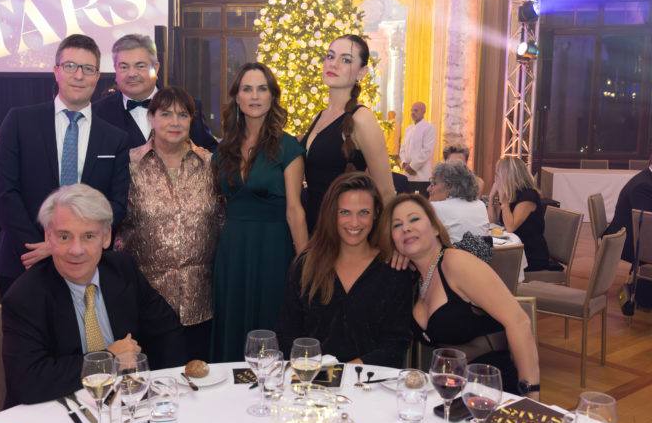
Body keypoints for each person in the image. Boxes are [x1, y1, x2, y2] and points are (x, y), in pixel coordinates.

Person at [2, 184, 186, 406]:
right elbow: (27, 381)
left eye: (88, 236)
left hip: (129, 406)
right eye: (64, 236)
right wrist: (108, 359)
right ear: (48, 237)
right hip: (58, 412)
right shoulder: (24, 297)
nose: (76, 250)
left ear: (106, 237)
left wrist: (160, 391)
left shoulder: (123, 270)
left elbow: (167, 332)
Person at [0, 34, 130, 296]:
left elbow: (117, 204)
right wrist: (46, 245)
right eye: (70, 66)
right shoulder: (19, 122)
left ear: (97, 76)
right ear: (56, 71)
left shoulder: (115, 139)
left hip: (87, 263)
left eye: (87, 68)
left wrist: (68, 244)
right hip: (25, 260)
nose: (78, 75)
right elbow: (4, 194)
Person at [386, 193, 540, 396]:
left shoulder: (455, 263)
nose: (406, 228)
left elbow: (519, 322)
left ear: (435, 227)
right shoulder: (414, 281)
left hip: (491, 389)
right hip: (448, 393)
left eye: (414, 219)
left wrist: (531, 395)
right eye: (397, 225)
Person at [211, 62, 307, 362]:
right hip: (232, 252)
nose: (254, 96)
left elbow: (295, 210)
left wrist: (306, 266)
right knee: (232, 324)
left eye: (262, 89)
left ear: (272, 96)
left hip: (273, 249)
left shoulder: (288, 147)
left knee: (272, 323)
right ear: (237, 97)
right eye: (247, 89)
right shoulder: (223, 149)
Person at [117, 86, 221, 361]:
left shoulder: (210, 165)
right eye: (166, 114)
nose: (175, 122)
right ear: (151, 118)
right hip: (146, 302)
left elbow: (223, 221)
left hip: (201, 301)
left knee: (200, 378)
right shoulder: (129, 164)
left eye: (182, 115)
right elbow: (115, 227)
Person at [277, 173, 412, 367]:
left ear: (376, 213)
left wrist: (344, 372)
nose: (354, 223)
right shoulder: (306, 265)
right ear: (332, 214)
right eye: (345, 212)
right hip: (312, 378)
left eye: (364, 212)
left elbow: (395, 345)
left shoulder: (393, 269)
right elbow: (287, 334)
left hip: (372, 381)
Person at [301, 34, 395, 233]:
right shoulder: (319, 116)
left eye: (345, 60)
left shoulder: (362, 118)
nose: (333, 64)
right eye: (330, 56)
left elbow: (386, 192)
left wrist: (389, 240)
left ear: (362, 72)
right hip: (313, 227)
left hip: (345, 233)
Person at [93, 34, 217, 152]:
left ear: (156, 68)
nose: (132, 74)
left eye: (140, 66)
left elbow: (210, 153)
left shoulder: (189, 107)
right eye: (124, 67)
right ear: (115, 70)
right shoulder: (97, 113)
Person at [487, 157, 559, 272]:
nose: (496, 179)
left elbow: (510, 227)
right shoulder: (512, 193)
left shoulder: (528, 196)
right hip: (515, 248)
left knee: (490, 265)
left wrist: (504, 202)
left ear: (509, 176)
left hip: (531, 255)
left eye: (498, 175)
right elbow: (493, 222)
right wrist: (491, 199)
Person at [604, 154, 652, 262]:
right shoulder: (643, 186)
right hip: (628, 241)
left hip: (637, 234)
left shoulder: (647, 177)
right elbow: (646, 224)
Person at [429, 162, 488, 243]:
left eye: (434, 183)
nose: (428, 189)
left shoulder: (437, 207)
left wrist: (430, 202)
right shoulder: (480, 205)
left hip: (451, 251)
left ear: (448, 186)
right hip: (482, 251)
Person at [400, 101, 436, 195]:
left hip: (422, 176)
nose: (413, 113)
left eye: (416, 110)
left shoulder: (429, 127)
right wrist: (404, 163)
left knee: (421, 201)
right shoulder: (408, 129)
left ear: (424, 111)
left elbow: (427, 151)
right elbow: (402, 149)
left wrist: (412, 167)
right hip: (407, 175)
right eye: (412, 110)